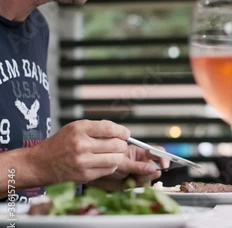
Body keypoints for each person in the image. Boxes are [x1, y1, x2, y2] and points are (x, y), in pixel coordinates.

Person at [0, 0, 168, 201]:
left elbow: (24, 177)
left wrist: (91, 170)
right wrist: (37, 163)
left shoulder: (37, 27)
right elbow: (33, 164)